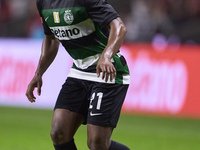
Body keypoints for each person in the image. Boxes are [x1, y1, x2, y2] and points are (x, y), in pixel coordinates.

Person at [26, 0, 130, 150]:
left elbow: (119, 26)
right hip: (79, 71)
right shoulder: (43, 2)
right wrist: (38, 73)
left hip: (108, 71)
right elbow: (51, 39)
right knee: (58, 132)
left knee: (97, 143)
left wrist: (106, 56)